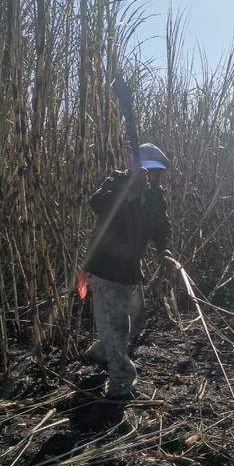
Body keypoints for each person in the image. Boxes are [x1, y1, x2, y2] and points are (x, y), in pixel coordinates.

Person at [82, 143, 171, 400]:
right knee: (117, 326)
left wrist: (164, 250)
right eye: (150, 171)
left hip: (131, 270)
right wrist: (130, 190)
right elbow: (98, 204)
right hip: (105, 269)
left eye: (158, 172)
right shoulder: (116, 183)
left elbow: (162, 226)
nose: (155, 177)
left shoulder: (156, 195)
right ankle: (121, 379)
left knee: (138, 318)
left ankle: (102, 351)